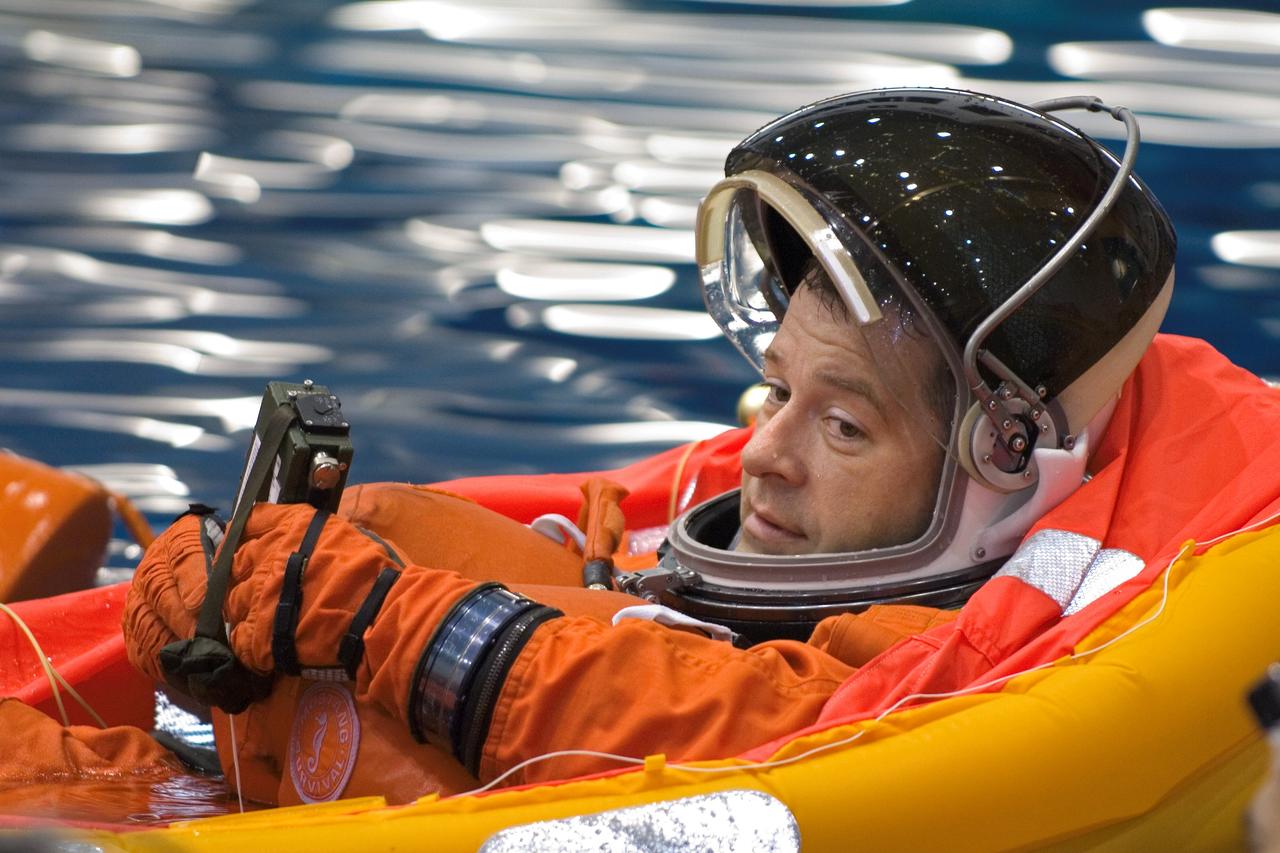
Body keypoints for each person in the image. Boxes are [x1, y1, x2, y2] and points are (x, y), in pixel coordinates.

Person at [121, 87, 1280, 807]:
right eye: (774, 389)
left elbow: (774, 735)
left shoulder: (945, 672)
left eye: (841, 423)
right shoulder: (743, 525)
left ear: (1002, 465)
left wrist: (379, 619)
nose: (763, 457)